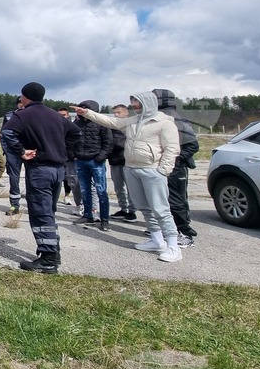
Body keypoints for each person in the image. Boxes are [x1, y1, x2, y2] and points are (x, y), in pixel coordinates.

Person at [72, 92, 183, 263]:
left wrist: (163, 170)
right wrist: (87, 113)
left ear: (148, 103)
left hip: (152, 170)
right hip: (131, 168)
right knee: (144, 207)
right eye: (132, 102)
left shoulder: (164, 123)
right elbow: (110, 122)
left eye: (137, 102)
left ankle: (173, 246)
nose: (134, 105)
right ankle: (156, 240)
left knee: (160, 209)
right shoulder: (133, 121)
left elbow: (172, 148)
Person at [2, 82, 80, 274]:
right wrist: (64, 151)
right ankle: (54, 251)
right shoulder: (56, 115)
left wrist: (22, 151)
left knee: (40, 213)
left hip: (40, 170)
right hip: (58, 169)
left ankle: (48, 259)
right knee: (49, 212)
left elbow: (7, 133)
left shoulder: (23, 115)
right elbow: (75, 133)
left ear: (24, 97)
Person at [153, 88, 200, 247]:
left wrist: (175, 159)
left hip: (175, 168)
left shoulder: (175, 119)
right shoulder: (160, 117)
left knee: (176, 200)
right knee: (164, 199)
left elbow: (193, 145)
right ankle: (169, 229)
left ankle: (185, 233)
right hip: (162, 166)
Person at [72, 100, 114, 230]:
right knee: (84, 190)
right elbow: (71, 140)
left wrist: (100, 157)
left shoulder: (102, 123)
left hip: (96, 161)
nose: (82, 110)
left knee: (101, 191)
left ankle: (104, 219)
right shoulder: (76, 124)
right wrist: (73, 154)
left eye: (86, 108)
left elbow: (108, 143)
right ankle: (87, 215)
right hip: (80, 160)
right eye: (81, 107)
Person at [108, 104, 137, 222]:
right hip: (115, 160)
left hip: (128, 161)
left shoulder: (132, 126)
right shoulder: (111, 127)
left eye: (119, 112)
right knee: (118, 187)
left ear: (126, 113)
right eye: (115, 113)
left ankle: (132, 211)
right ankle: (123, 209)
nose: (116, 115)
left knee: (131, 187)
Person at [1, 98, 24, 215]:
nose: (22, 105)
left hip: (29, 151)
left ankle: (34, 204)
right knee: (14, 179)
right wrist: (6, 150)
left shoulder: (33, 115)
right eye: (20, 103)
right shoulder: (9, 116)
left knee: (33, 178)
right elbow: (3, 133)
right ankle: (14, 205)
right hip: (13, 152)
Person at [57, 108, 82, 214]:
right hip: (58, 156)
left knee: (72, 180)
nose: (62, 117)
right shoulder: (54, 126)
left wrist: (73, 154)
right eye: (59, 115)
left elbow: (76, 140)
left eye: (64, 115)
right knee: (59, 179)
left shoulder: (73, 126)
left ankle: (73, 199)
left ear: (68, 115)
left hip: (70, 157)